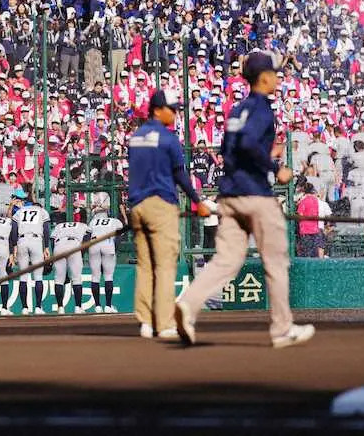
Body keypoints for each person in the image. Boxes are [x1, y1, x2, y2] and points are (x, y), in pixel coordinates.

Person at [174, 51, 315, 349]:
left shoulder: (237, 111)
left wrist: (264, 153)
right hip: (256, 195)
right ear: (264, 78)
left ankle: (188, 304)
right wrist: (275, 168)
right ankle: (282, 329)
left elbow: (229, 148)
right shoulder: (263, 108)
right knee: (275, 261)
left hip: (230, 194)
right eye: (275, 74)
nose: (278, 77)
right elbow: (250, 144)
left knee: (226, 260)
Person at [126, 90, 211, 339]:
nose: (175, 113)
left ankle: (145, 322)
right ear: (157, 110)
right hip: (160, 204)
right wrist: (198, 202)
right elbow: (180, 174)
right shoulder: (168, 138)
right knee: (164, 266)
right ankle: (163, 324)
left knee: (145, 265)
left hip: (137, 206)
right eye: (172, 109)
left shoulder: (136, 137)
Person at [11, 191, 50, 314]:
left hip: (22, 240)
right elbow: (46, 228)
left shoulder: (20, 211)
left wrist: (14, 246)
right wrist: (47, 247)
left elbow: (14, 229)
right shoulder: (41, 211)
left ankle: (24, 308)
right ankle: (38, 307)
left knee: (23, 277)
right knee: (38, 277)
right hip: (36, 241)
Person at [50, 217, 90, 314]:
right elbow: (87, 239)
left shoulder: (59, 226)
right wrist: (81, 253)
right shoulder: (83, 225)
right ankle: (78, 307)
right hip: (74, 244)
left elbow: (52, 240)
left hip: (59, 245)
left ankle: (60, 308)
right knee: (76, 278)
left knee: (59, 279)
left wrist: (54, 253)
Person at [88, 212, 125, 313]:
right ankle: (108, 306)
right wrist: (114, 248)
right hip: (107, 243)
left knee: (95, 276)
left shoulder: (93, 221)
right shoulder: (114, 221)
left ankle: (97, 306)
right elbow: (121, 234)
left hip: (94, 243)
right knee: (108, 276)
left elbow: (88, 235)